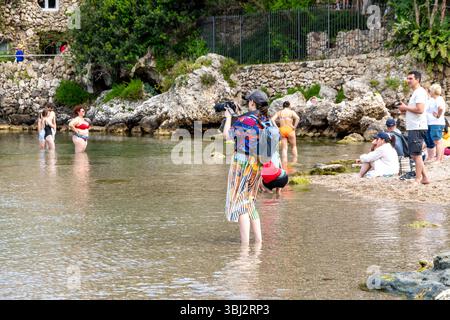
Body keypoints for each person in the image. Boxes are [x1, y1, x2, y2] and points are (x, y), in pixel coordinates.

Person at [223, 89, 273, 244]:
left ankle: (244, 246)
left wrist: (228, 118)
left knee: (239, 202)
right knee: (249, 201)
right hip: (257, 164)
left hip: (242, 162)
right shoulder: (267, 120)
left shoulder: (245, 120)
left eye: (248, 101)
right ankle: (258, 241)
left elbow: (227, 135)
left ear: (252, 103)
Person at [399, 71, 430, 184]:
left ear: (417, 79)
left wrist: (405, 107)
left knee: (415, 154)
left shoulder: (420, 92)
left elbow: (420, 110)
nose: (408, 81)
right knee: (415, 153)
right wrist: (404, 108)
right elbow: (415, 109)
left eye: (410, 78)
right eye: (407, 78)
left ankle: (418, 179)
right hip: (415, 127)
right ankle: (425, 178)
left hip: (417, 127)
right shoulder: (416, 92)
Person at [271, 101, 300, 165]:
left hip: (282, 130)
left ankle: (284, 163)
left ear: (283, 106)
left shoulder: (279, 112)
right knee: (294, 146)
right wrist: (294, 126)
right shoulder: (291, 112)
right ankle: (294, 162)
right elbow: (298, 118)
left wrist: (277, 128)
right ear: (289, 106)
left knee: (284, 148)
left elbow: (272, 119)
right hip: (290, 129)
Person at [425, 83, 446, 162]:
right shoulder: (434, 99)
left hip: (436, 123)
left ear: (433, 91)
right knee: (437, 140)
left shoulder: (438, 99)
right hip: (432, 123)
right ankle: (439, 158)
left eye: (430, 90)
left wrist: (438, 115)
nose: (429, 91)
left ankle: (438, 159)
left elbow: (440, 108)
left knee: (437, 141)